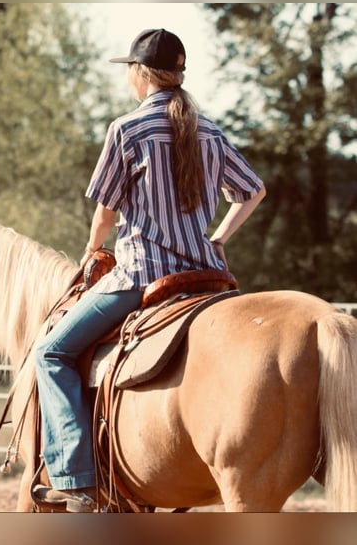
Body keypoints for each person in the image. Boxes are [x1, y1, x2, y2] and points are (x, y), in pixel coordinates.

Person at [31, 28, 266, 513]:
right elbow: (253, 191)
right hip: (208, 276)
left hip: (141, 276)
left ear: (140, 74)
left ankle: (75, 477)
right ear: (177, 75)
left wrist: (91, 250)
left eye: (130, 72)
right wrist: (218, 237)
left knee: (51, 353)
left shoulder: (127, 130)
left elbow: (105, 212)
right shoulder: (211, 131)